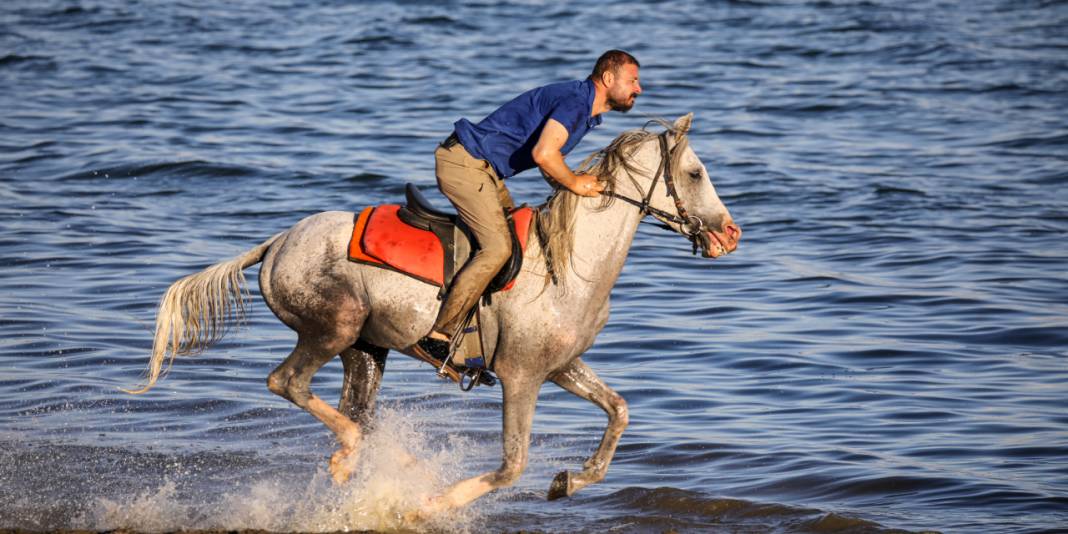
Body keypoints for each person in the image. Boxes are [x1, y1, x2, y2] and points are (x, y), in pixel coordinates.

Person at [416, 49, 642, 365]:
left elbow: (549, 161)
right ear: (608, 78)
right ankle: (439, 335)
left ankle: (482, 341)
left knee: (522, 241)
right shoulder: (577, 102)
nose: (638, 89)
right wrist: (576, 183)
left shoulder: (584, 107)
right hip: (464, 164)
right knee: (497, 249)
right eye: (633, 80)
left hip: (485, 170)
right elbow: (544, 155)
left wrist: (568, 189)